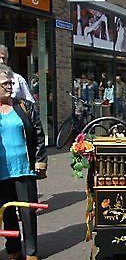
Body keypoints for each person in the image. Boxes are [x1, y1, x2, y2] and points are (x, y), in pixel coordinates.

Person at [0, 64, 47, 260]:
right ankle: (13, 249)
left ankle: (31, 251)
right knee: (8, 213)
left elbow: (38, 134)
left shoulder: (24, 106)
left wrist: (40, 161)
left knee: (28, 213)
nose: (10, 86)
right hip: (2, 171)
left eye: (11, 82)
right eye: (5, 83)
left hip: (24, 168)